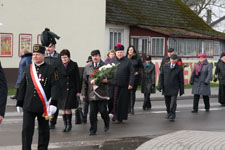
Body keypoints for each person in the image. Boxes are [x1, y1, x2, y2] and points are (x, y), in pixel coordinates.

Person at [16, 44, 58, 150]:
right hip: (29, 105)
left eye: (38, 54)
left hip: (43, 106)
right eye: (34, 54)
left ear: (43, 55)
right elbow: (23, 86)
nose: (35, 56)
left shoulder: (51, 69)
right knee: (26, 130)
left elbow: (55, 86)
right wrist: (19, 102)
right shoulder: (28, 68)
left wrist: (54, 102)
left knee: (43, 131)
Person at [81, 50, 110, 135]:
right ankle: (93, 130)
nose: (95, 57)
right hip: (91, 94)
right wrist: (83, 93)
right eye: (93, 56)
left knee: (103, 111)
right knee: (92, 114)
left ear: (100, 56)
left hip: (102, 94)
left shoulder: (105, 66)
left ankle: (106, 122)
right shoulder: (87, 67)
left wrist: (107, 80)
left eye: (96, 55)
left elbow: (112, 78)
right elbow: (84, 81)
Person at [108, 43, 134, 123]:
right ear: (115, 53)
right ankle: (114, 113)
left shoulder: (128, 61)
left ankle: (119, 117)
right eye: (118, 52)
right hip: (113, 85)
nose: (120, 53)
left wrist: (131, 83)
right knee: (112, 100)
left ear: (123, 52)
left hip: (124, 85)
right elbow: (108, 72)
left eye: (121, 52)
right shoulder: (112, 61)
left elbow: (132, 73)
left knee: (121, 103)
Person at [41, 28, 61, 129]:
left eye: (50, 47)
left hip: (55, 83)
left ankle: (53, 121)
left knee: (54, 103)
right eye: (46, 47)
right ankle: (45, 121)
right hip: (44, 84)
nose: (48, 49)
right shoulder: (43, 57)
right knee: (44, 102)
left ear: (54, 47)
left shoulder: (59, 57)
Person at [58, 49, 80, 132]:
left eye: (65, 57)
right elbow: (56, 78)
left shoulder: (74, 64)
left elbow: (77, 78)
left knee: (68, 108)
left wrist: (78, 91)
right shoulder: (58, 65)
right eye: (62, 58)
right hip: (61, 89)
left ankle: (69, 124)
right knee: (63, 108)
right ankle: (65, 125)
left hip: (71, 89)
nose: (64, 59)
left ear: (69, 57)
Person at [158, 54, 184, 121]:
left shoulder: (179, 68)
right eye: (171, 59)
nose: (172, 60)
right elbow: (161, 77)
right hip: (166, 87)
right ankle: (169, 112)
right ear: (170, 59)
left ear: (176, 60)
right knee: (167, 102)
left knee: (173, 102)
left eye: (174, 59)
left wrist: (181, 90)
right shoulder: (165, 66)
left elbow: (181, 80)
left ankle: (172, 114)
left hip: (174, 88)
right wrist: (160, 86)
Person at [126, 46, 143, 114]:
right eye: (129, 49)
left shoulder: (137, 58)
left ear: (134, 50)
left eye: (132, 49)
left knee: (132, 93)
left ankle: (131, 107)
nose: (130, 51)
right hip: (126, 77)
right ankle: (127, 108)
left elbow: (141, 67)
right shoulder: (125, 58)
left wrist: (138, 72)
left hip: (135, 78)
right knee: (127, 93)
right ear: (127, 51)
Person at [82, 56, 92, 123]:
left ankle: (93, 117)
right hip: (86, 89)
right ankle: (84, 117)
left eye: (90, 61)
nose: (89, 63)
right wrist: (83, 92)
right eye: (88, 61)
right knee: (85, 104)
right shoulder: (86, 68)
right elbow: (83, 80)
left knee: (93, 105)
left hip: (93, 90)